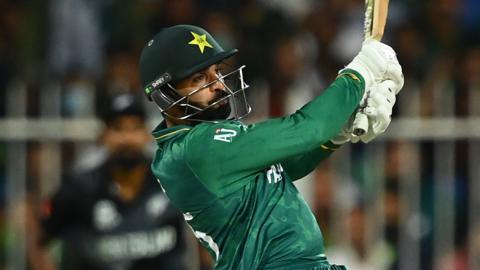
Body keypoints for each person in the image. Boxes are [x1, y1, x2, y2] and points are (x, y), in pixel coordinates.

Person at [138, 24, 403, 269]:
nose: (219, 85)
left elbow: (284, 167)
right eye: (199, 79)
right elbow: (307, 129)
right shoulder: (198, 148)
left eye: (216, 73)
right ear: (166, 93)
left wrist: (338, 134)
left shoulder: (190, 145)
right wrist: (359, 74)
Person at [28, 93, 188, 270]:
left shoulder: (171, 179)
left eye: (135, 128)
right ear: (103, 136)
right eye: (118, 128)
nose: (127, 138)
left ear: (146, 134)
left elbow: (209, 233)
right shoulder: (79, 187)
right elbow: (38, 239)